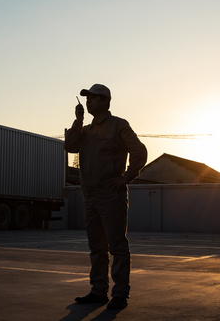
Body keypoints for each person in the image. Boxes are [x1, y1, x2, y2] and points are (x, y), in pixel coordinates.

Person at [64, 83, 147, 310]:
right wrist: (78, 120)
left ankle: (120, 294)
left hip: (111, 196)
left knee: (117, 246)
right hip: (89, 197)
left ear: (105, 101)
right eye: (87, 98)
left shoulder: (118, 125)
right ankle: (98, 290)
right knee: (96, 247)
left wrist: (126, 177)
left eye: (93, 98)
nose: (89, 101)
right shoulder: (86, 130)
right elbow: (69, 146)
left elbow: (140, 152)